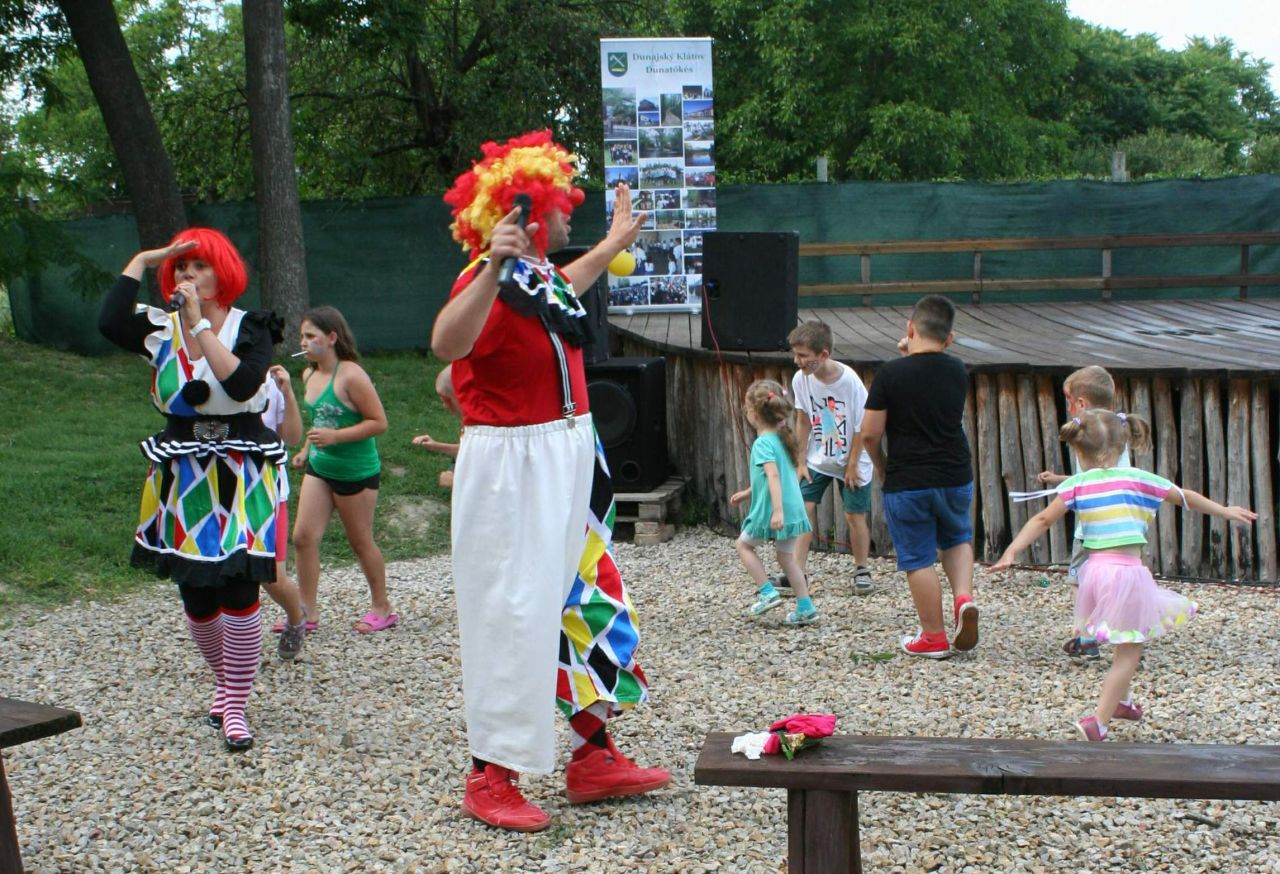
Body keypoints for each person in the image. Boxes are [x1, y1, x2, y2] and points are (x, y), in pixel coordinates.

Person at [432, 130, 669, 833]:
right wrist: (489, 267)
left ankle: (592, 755)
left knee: (591, 599)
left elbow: (571, 282)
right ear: (529, 214)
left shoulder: (541, 278)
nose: (572, 210)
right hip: (513, 468)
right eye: (563, 202)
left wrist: (615, 241)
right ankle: (490, 776)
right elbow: (446, 343)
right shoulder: (487, 278)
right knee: (512, 616)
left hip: (570, 457)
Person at [98, 227, 284, 752]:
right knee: (197, 595)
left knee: (239, 588)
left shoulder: (252, 326)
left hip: (241, 474)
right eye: (180, 267)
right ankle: (224, 684)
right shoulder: (159, 330)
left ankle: (236, 704)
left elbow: (241, 385)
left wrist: (200, 324)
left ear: (223, 273)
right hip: (183, 474)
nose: (187, 275)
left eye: (199, 266)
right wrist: (141, 260)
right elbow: (109, 322)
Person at [993, 409, 1255, 740]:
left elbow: (1042, 520)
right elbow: (1185, 498)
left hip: (1093, 573)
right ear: (1123, 444)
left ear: (1079, 452)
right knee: (1130, 650)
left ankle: (1123, 702)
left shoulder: (1078, 483)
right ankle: (1098, 722)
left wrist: (1012, 550)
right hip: (1126, 574)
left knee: (1123, 635)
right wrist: (1225, 511)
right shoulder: (1140, 479)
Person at [860, 295, 978, 659]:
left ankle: (933, 637)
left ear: (910, 328)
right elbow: (927, 375)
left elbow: (869, 434)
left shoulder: (889, 374)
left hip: (909, 478)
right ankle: (963, 598)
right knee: (957, 538)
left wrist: (880, 465)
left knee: (918, 557)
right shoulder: (958, 370)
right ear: (950, 338)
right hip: (955, 474)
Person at [291, 306, 396, 634]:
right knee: (303, 537)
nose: (304, 342)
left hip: (355, 471)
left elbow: (379, 423)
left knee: (360, 541)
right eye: (302, 336)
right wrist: (306, 449)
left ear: (332, 338)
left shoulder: (351, 375)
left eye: (311, 336)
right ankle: (306, 611)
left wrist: (336, 437)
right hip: (321, 467)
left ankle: (382, 607)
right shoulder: (308, 375)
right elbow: (320, 419)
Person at [1035, 366, 1129, 660]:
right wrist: (1060, 479)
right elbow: (1102, 477)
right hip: (1122, 528)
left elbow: (1091, 480)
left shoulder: (1087, 433)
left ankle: (1086, 637)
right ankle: (1125, 635)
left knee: (1078, 580)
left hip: (1089, 530)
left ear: (1082, 403)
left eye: (1068, 400)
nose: (1067, 407)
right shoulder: (1116, 431)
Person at [783, 320, 875, 596]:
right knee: (804, 507)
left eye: (803, 356)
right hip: (819, 457)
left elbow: (860, 427)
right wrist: (800, 461)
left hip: (853, 457)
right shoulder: (801, 379)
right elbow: (803, 419)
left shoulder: (850, 382)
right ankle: (797, 571)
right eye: (795, 354)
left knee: (854, 515)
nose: (797, 361)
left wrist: (852, 465)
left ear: (823, 354)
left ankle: (861, 568)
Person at [729, 379, 819, 625]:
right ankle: (806, 607)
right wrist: (748, 492)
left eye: (747, 408)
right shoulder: (783, 439)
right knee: (787, 558)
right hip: (794, 508)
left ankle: (767, 592)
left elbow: (773, 476)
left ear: (754, 413)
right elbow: (776, 475)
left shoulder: (762, 443)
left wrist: (777, 511)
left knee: (743, 546)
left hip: (773, 510)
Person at [259, 364, 311, 659]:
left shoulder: (270, 383)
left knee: (271, 576)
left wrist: (288, 393)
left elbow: (291, 437)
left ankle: (296, 617)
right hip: (223, 490)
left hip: (267, 492)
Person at [411, 365, 461, 490]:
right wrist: (435, 445)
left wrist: (457, 481)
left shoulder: (483, 427)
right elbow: (468, 450)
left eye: (445, 400)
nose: (444, 405)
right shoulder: (470, 421)